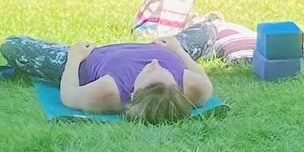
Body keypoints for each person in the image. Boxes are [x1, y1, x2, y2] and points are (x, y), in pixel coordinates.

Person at [57, 41, 214, 122]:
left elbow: (68, 95)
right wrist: (179, 50)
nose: (154, 63)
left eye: (148, 72)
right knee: (207, 30)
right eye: (166, 72)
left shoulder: (109, 91)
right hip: (167, 45)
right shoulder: (193, 87)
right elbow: (207, 85)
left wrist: (75, 57)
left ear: (132, 94)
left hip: (90, 54)